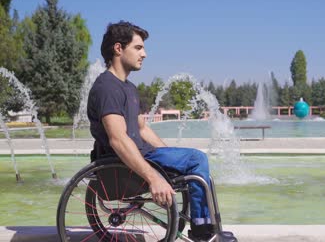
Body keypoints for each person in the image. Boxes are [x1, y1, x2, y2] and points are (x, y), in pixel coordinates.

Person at [87, 21, 236, 242]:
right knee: (198, 159)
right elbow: (117, 140)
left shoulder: (128, 87)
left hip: (143, 155)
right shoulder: (107, 88)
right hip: (121, 167)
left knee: (193, 162)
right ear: (118, 48)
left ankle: (206, 228)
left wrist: (172, 158)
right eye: (138, 47)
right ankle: (203, 233)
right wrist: (154, 177)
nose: (144, 54)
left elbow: (142, 128)